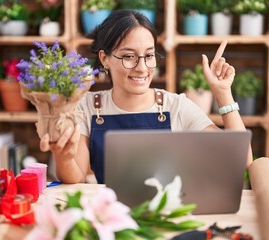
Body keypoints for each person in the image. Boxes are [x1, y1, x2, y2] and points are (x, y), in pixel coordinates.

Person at [40, 9, 252, 184]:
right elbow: (74, 178)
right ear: (104, 59)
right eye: (129, 56)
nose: (142, 68)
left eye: (149, 55)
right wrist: (63, 157)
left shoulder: (176, 106)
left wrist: (223, 93)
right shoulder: (86, 106)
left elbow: (240, 158)